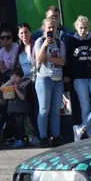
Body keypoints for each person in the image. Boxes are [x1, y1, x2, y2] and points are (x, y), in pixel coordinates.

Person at [33, 18, 66, 146]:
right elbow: (39, 60)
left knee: (55, 110)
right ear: (44, 29)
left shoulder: (60, 43)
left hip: (58, 78)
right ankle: (43, 137)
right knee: (44, 109)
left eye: (54, 27)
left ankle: (56, 136)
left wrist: (48, 57)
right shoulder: (39, 42)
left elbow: (62, 62)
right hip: (44, 78)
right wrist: (45, 46)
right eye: (49, 27)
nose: (51, 29)